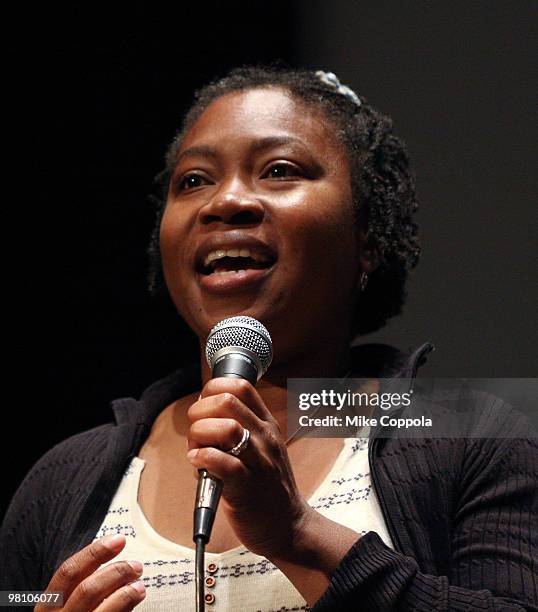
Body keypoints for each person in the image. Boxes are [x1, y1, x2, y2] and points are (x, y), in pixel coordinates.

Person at [1, 66, 536, 611]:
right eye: (193, 181)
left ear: (367, 237)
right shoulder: (62, 478)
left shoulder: (471, 435)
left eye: (279, 170)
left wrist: (299, 533)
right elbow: (14, 599)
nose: (224, 201)